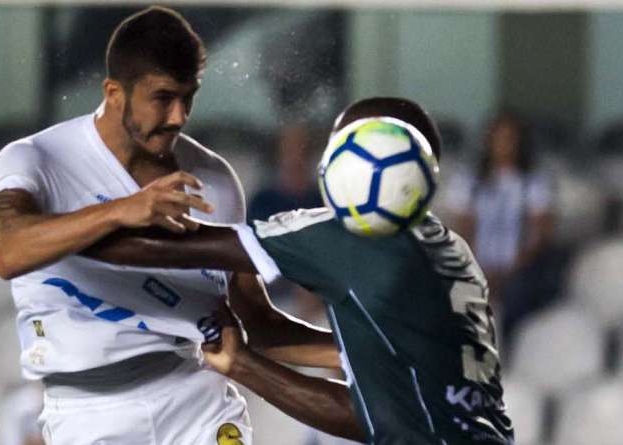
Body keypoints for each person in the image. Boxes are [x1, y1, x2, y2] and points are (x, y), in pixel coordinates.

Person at [0, 7, 337, 445]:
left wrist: (355, 352)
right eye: (163, 97)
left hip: (196, 399)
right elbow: (9, 250)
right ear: (114, 92)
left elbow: (259, 324)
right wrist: (122, 210)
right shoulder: (37, 157)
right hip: (88, 412)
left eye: (188, 97)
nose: (178, 116)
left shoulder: (215, 179)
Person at [84, 97, 515, 445]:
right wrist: (239, 298)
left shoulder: (348, 239)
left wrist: (67, 225)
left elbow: (149, 250)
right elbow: (294, 339)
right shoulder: (452, 251)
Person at [443, 111, 557, 339]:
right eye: (498, 138)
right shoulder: (469, 181)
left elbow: (539, 234)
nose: (503, 145)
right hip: (476, 265)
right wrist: (479, 268)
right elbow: (461, 230)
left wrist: (508, 272)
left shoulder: (534, 182)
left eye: (510, 139)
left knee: (519, 295)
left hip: (519, 270)